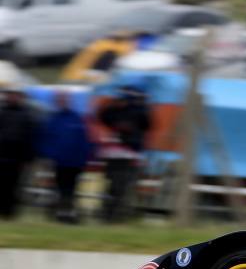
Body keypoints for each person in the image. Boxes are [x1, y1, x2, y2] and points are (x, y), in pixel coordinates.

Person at [98, 87, 152, 222]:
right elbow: (102, 116)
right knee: (115, 185)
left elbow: (146, 123)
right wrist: (112, 103)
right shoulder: (116, 111)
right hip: (117, 154)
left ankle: (113, 214)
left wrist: (139, 105)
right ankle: (110, 214)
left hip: (126, 154)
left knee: (120, 186)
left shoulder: (137, 112)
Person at [39, 91, 94, 223]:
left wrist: (85, 157)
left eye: (65, 99)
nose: (63, 102)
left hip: (75, 162)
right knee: (59, 188)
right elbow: (45, 139)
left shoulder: (76, 118)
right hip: (58, 162)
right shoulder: (52, 119)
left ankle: (68, 214)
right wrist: (49, 155)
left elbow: (84, 140)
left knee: (71, 189)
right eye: (60, 99)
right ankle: (59, 213)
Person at [0, 86, 39, 218]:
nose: (12, 97)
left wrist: (28, 158)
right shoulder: (2, 112)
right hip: (2, 156)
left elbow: (30, 137)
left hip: (17, 158)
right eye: (10, 94)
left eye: (15, 95)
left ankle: (9, 212)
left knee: (14, 185)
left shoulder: (27, 115)